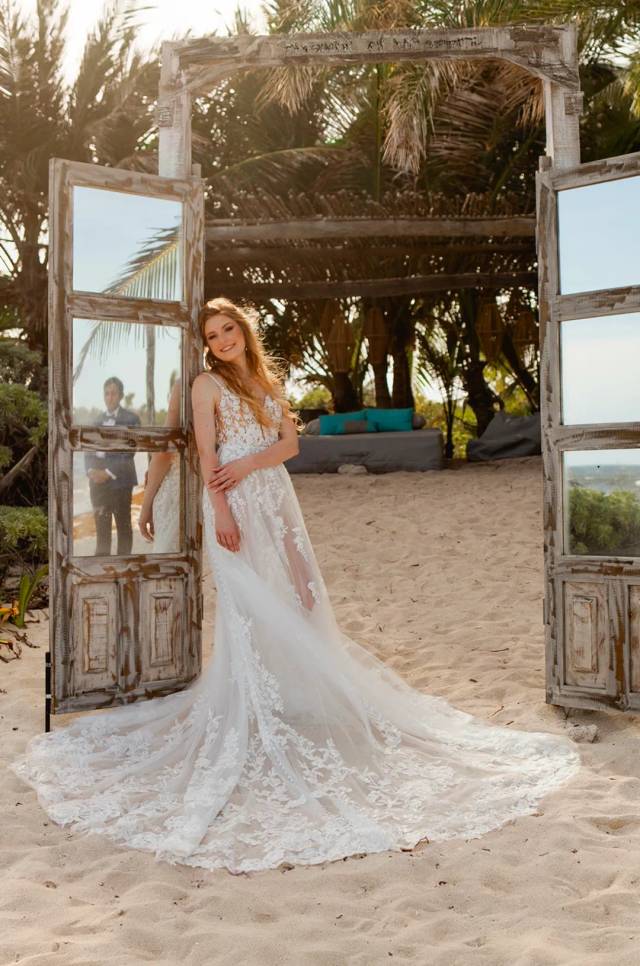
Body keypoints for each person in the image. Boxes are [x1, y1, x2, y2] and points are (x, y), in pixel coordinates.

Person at [10, 298, 582, 876]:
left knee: (294, 590)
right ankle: (252, 708)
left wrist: (253, 467)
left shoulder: (263, 379)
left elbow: (290, 446)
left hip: (272, 493)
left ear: (243, 330)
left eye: (229, 328)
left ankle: (289, 697)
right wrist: (222, 510)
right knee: (247, 602)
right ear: (205, 344)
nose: (222, 339)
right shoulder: (205, 385)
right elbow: (207, 455)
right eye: (212, 334)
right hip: (231, 499)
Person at [84, 376, 141, 555]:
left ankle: (123, 569)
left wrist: (108, 472)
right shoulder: (96, 421)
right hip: (97, 484)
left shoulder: (131, 419)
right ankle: (103, 570)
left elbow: (130, 451)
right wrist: (91, 471)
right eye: (107, 393)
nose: (110, 397)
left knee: (123, 527)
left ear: (121, 396)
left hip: (120, 481)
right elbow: (88, 450)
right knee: (102, 529)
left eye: (114, 393)